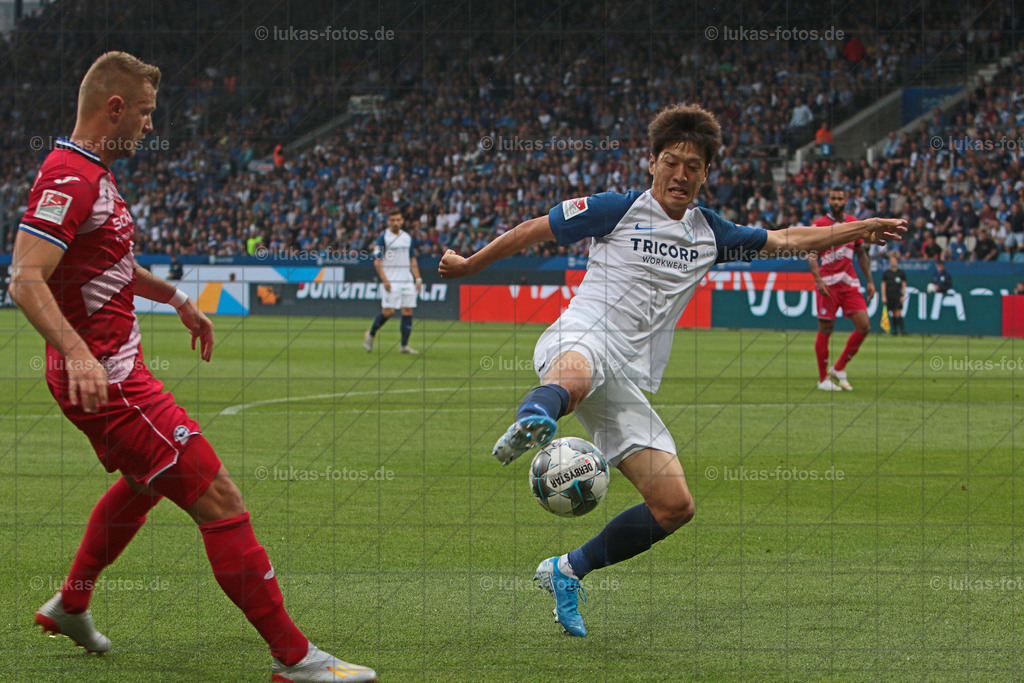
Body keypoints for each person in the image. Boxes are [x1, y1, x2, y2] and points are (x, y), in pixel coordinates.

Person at [438, 103, 904, 637]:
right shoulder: (616, 208)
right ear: (652, 163)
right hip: (580, 337)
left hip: (625, 379)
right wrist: (472, 264)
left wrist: (859, 228)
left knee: (674, 505)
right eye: (672, 161)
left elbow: (791, 239)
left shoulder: (712, 234)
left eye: (693, 166)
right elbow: (535, 229)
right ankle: (532, 420)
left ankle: (567, 570)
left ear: (706, 174)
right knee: (573, 377)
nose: (681, 173)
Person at [10, 52, 375, 683]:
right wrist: (78, 355)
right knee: (218, 495)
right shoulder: (71, 177)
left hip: (120, 372)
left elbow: (112, 267)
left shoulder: (93, 174)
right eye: (146, 113)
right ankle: (295, 659)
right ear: (115, 108)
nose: (152, 127)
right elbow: (24, 277)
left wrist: (177, 299)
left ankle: (71, 604)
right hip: (112, 382)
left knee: (144, 484)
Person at [807, 186, 876, 391]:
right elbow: (811, 254)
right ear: (828, 201)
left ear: (846, 200)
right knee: (826, 329)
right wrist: (818, 279)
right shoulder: (819, 225)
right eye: (833, 198)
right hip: (828, 284)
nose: (836, 202)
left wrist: (870, 280)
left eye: (840, 198)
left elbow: (861, 254)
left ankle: (838, 368)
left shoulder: (855, 224)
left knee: (864, 326)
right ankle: (822, 379)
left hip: (850, 283)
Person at [363, 208, 422, 354]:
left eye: (398, 220)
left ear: (402, 221)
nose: (395, 223)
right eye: (392, 220)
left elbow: (412, 259)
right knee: (388, 312)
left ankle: (404, 346)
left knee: (407, 310)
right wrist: (385, 280)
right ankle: (370, 333)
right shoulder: (383, 238)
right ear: (388, 221)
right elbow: (377, 261)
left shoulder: (407, 237)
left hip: (407, 280)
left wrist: (418, 278)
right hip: (391, 280)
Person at [881, 252, 907, 335]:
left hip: (897, 295)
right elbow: (883, 285)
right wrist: (883, 296)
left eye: (894, 260)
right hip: (889, 295)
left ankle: (902, 330)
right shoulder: (887, 273)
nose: (893, 262)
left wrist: (902, 295)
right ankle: (895, 330)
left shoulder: (901, 273)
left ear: (897, 261)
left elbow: (904, 285)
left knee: (898, 311)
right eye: (891, 260)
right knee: (892, 312)